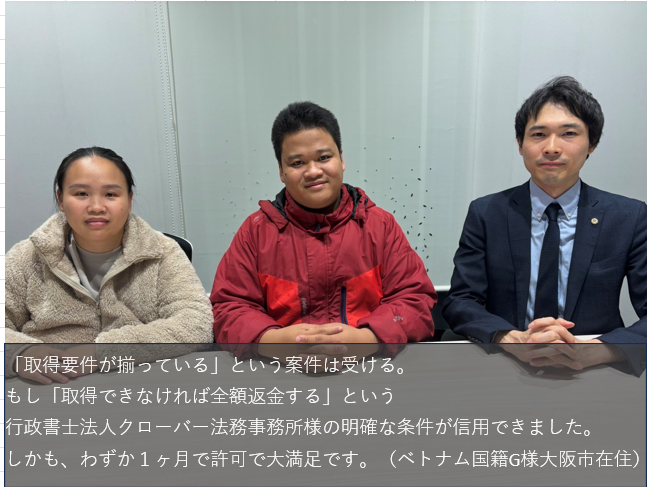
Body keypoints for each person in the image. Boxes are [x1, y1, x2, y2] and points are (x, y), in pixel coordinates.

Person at [443, 76, 647, 373]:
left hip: (596, 369)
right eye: (538, 134)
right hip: (507, 364)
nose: (551, 148)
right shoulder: (487, 213)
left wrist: (599, 350)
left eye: (568, 134)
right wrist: (510, 339)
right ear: (520, 144)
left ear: (592, 143)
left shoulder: (629, 216)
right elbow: (461, 300)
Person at [211, 102, 436, 357]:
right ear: (281, 171)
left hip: (368, 367)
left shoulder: (380, 226)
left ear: (342, 159)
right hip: (282, 371)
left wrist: (368, 338)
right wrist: (271, 341)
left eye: (324, 158)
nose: (313, 171)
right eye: (298, 162)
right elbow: (229, 308)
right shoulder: (255, 233)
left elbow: (415, 301)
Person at [5, 147, 214, 383]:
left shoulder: (162, 251)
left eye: (111, 194)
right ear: (61, 200)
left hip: (139, 383)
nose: (96, 207)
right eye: (81, 193)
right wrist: (21, 353)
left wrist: (103, 352)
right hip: (51, 386)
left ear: (129, 200)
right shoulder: (28, 256)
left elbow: (196, 323)